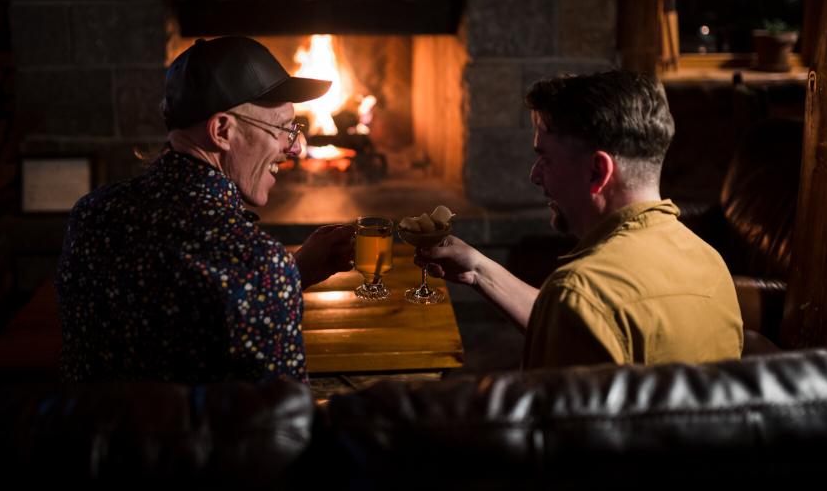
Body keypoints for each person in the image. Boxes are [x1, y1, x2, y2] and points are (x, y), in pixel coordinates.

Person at [56, 36, 354, 384]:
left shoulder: (91, 214)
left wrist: (292, 275)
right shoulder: (253, 261)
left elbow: (163, 316)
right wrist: (276, 278)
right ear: (222, 131)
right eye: (284, 129)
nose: (296, 147)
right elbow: (282, 424)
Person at [417, 71, 743, 368]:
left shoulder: (579, 292)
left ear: (597, 171)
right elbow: (590, 325)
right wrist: (478, 269)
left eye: (545, 157)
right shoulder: (711, 265)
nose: (534, 175)